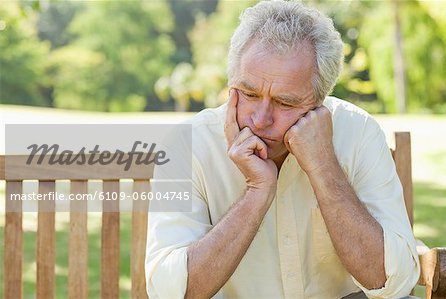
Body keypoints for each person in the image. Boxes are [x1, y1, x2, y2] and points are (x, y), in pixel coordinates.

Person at [145, 1, 420, 298]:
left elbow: (395, 283)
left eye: (285, 102)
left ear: (319, 101)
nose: (260, 120)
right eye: (249, 94)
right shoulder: (187, 145)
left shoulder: (358, 132)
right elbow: (169, 292)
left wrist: (323, 165)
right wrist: (257, 191)